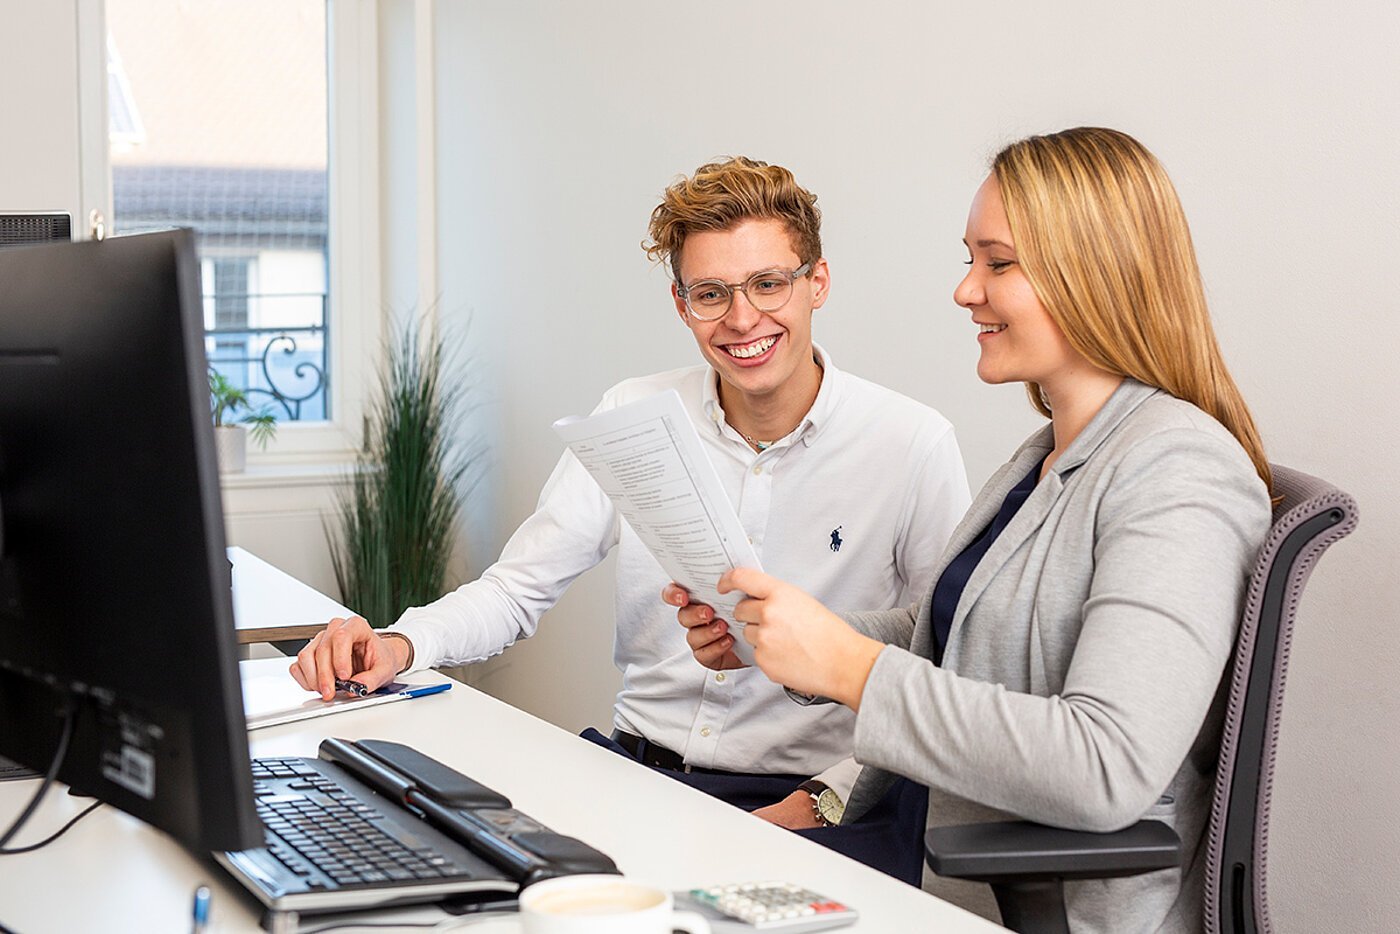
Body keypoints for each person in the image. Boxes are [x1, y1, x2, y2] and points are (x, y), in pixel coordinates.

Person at [674, 128, 1272, 931]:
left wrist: (854, 670)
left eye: (997, 263)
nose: (966, 292)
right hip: (909, 833)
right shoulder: (1047, 453)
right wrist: (791, 638)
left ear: (1092, 274)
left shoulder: (1181, 471)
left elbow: (1107, 764)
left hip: (989, 888)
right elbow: (960, 636)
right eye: (971, 261)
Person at [290, 156, 971, 817]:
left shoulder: (910, 443)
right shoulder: (631, 416)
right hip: (638, 779)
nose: (741, 319)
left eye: (768, 284)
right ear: (682, 305)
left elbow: (941, 668)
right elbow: (516, 590)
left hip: (811, 801)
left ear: (816, 281)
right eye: (711, 294)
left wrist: (821, 804)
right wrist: (398, 645)